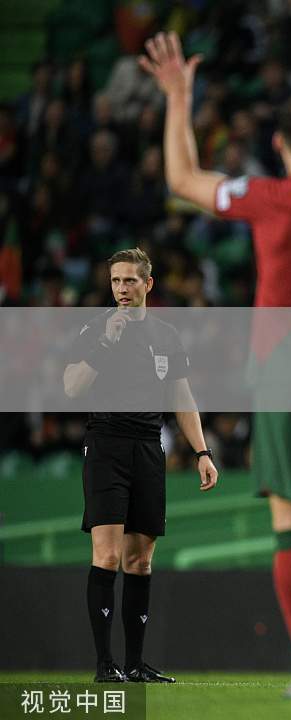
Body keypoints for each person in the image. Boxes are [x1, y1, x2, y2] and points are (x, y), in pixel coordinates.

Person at [139, 21, 291, 697]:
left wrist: (178, 97)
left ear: (278, 144)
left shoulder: (268, 199)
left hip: (286, 372)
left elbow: (183, 178)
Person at [63, 247, 219, 683]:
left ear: (148, 284)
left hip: (149, 447)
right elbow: (72, 387)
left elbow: (182, 398)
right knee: (108, 554)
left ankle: (134, 664)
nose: (121, 288)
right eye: (115, 281)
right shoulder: (95, 329)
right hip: (106, 445)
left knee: (141, 561)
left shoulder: (166, 335)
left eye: (130, 280)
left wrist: (203, 452)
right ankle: (104, 665)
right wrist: (104, 344)